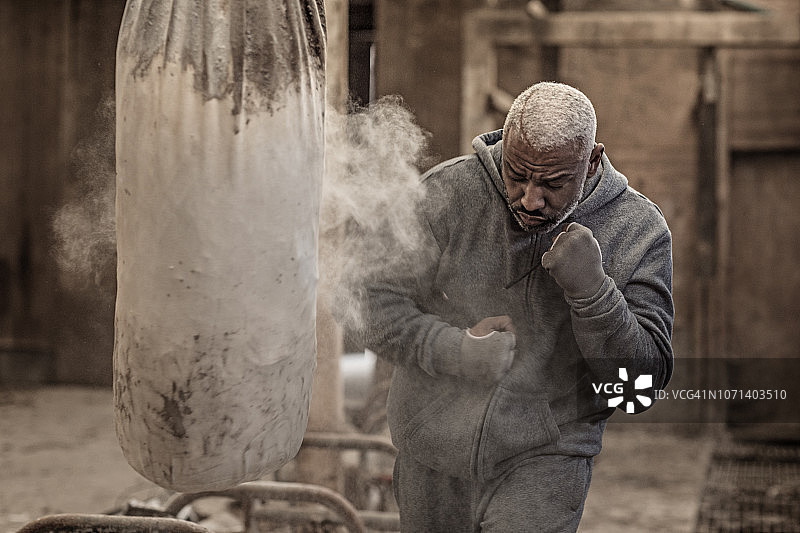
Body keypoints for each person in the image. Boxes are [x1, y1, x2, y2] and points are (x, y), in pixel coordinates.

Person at [362, 82, 674, 532]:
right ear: (505, 145)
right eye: (517, 174)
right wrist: (452, 348)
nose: (530, 198)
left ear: (591, 162)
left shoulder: (637, 231)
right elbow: (369, 305)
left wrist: (593, 293)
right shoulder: (447, 194)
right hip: (431, 451)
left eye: (552, 183)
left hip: (546, 456)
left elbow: (640, 387)